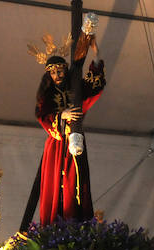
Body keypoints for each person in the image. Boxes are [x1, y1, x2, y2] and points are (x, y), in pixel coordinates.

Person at [24, 38, 106, 226]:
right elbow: (42, 115)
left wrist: (96, 55)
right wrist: (62, 115)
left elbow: (95, 86)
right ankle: (55, 224)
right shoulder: (47, 94)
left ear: (66, 70)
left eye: (60, 70)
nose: (57, 75)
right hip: (57, 144)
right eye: (53, 72)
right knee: (55, 183)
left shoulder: (76, 88)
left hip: (76, 139)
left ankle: (77, 221)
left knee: (76, 181)